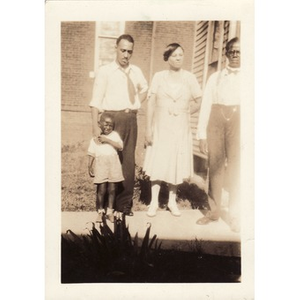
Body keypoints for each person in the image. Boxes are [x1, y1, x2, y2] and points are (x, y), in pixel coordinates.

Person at [89, 34, 148, 216]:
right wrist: (95, 128)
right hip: (111, 120)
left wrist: (135, 104)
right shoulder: (105, 71)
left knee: (128, 161)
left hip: (130, 118)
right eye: (123, 50)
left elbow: (145, 89)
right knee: (108, 158)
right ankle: (105, 205)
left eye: (129, 51)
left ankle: (124, 205)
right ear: (116, 48)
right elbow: (96, 101)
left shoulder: (136, 71)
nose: (126, 55)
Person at [143, 43, 202, 217]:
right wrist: (148, 129)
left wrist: (185, 111)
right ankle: (154, 202)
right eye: (174, 55)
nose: (178, 58)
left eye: (180, 55)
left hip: (180, 128)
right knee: (159, 162)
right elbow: (151, 103)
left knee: (176, 162)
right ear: (167, 58)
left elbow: (199, 100)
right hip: (161, 127)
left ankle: (171, 201)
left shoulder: (189, 78)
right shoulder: (159, 77)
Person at [196, 37, 241, 232]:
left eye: (239, 51)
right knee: (215, 164)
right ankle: (214, 211)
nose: (235, 55)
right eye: (232, 51)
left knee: (237, 166)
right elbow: (205, 105)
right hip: (216, 119)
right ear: (226, 54)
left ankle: (235, 214)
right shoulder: (215, 78)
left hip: (239, 121)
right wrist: (201, 134)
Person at [88, 113, 124, 223]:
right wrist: (89, 166)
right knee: (102, 189)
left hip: (113, 164)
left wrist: (107, 140)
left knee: (112, 189)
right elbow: (91, 153)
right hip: (101, 165)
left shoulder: (114, 135)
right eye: (106, 125)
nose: (108, 128)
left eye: (111, 126)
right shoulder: (95, 139)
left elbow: (120, 146)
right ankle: (100, 212)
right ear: (99, 124)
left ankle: (109, 212)